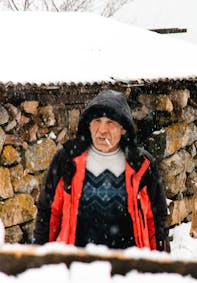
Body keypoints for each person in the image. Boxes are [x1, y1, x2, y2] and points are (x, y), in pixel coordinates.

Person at [33, 89, 169, 252]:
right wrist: (39, 258)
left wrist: (161, 262)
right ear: (88, 124)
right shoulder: (67, 159)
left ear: (123, 128)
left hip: (128, 266)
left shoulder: (141, 165)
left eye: (111, 122)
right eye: (97, 120)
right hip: (76, 264)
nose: (102, 130)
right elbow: (47, 213)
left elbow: (156, 220)